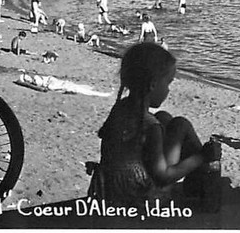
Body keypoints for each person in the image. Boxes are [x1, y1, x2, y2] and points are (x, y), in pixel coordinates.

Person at [93, 43, 219, 207]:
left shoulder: (121, 107)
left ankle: (200, 180)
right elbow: (163, 176)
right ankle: (203, 184)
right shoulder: (150, 126)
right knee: (180, 124)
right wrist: (202, 157)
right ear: (152, 84)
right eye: (168, 83)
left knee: (164, 117)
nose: (168, 90)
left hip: (114, 190)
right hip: (143, 200)